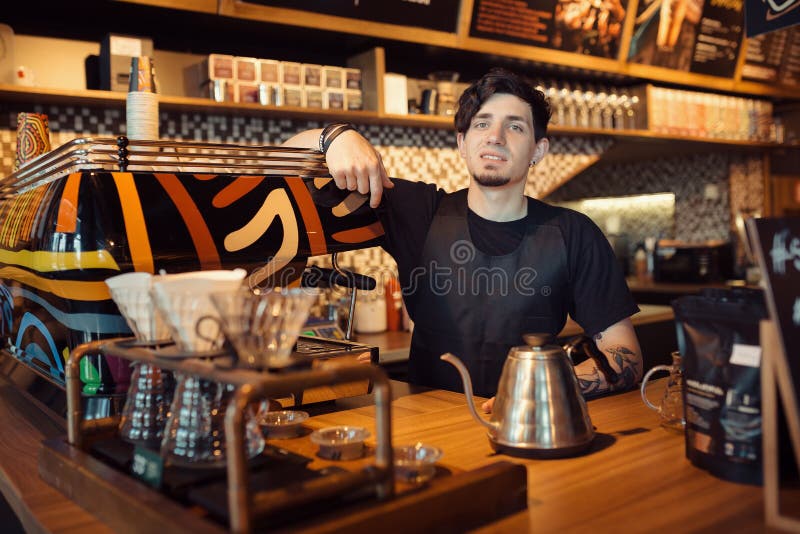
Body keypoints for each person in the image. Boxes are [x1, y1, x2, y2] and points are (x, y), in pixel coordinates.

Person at [284, 68, 643, 411]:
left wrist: (542, 388)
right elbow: (275, 171)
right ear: (462, 143)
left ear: (538, 150)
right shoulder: (419, 212)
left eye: (515, 126)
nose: (495, 136)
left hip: (530, 425)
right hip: (430, 425)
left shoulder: (573, 233)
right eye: (482, 123)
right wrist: (336, 138)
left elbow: (623, 353)